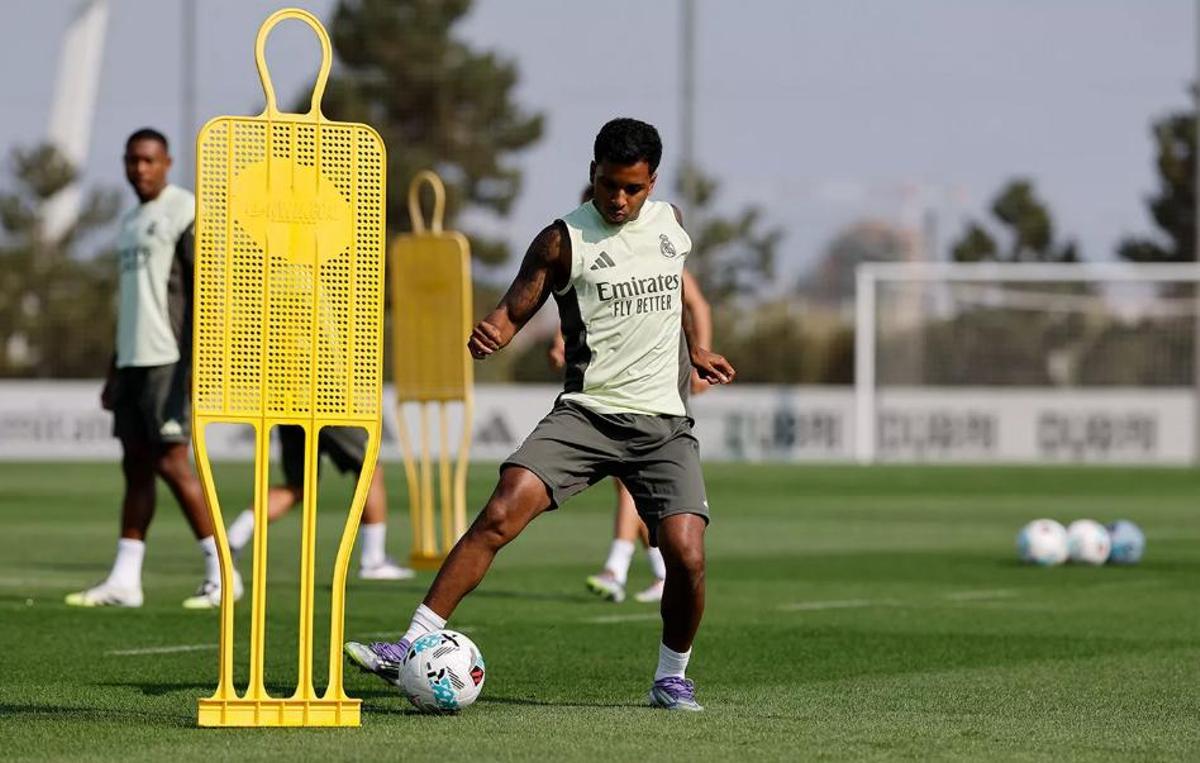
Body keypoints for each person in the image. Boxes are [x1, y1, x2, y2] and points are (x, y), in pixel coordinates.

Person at [344, 117, 735, 711]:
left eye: (632, 188)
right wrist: (492, 333)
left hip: (663, 425)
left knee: (687, 555)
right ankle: (411, 643)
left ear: (652, 182)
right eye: (608, 186)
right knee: (501, 510)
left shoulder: (671, 225)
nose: (619, 199)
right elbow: (511, 310)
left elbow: (671, 292)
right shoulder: (562, 241)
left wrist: (695, 349)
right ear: (592, 176)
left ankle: (671, 676)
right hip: (586, 415)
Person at [67, 128, 241, 610]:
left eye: (148, 160)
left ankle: (223, 573)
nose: (139, 169)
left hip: (170, 359)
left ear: (167, 162)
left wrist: (198, 362)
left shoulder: (185, 210)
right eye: (131, 161)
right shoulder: (128, 222)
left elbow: (207, 289)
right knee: (136, 468)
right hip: (133, 361)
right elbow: (132, 304)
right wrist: (114, 368)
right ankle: (125, 580)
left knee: (171, 462)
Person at [548, 185, 716, 605]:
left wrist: (698, 355)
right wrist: (559, 338)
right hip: (613, 388)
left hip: (657, 386)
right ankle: (659, 572)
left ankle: (616, 567)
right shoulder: (591, 249)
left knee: (629, 481)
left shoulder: (657, 247)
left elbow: (696, 303)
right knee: (637, 489)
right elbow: (595, 303)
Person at [223, 426, 414, 580]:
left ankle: (232, 540)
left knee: (298, 485)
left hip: (290, 399)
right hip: (327, 392)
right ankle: (374, 561)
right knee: (369, 469)